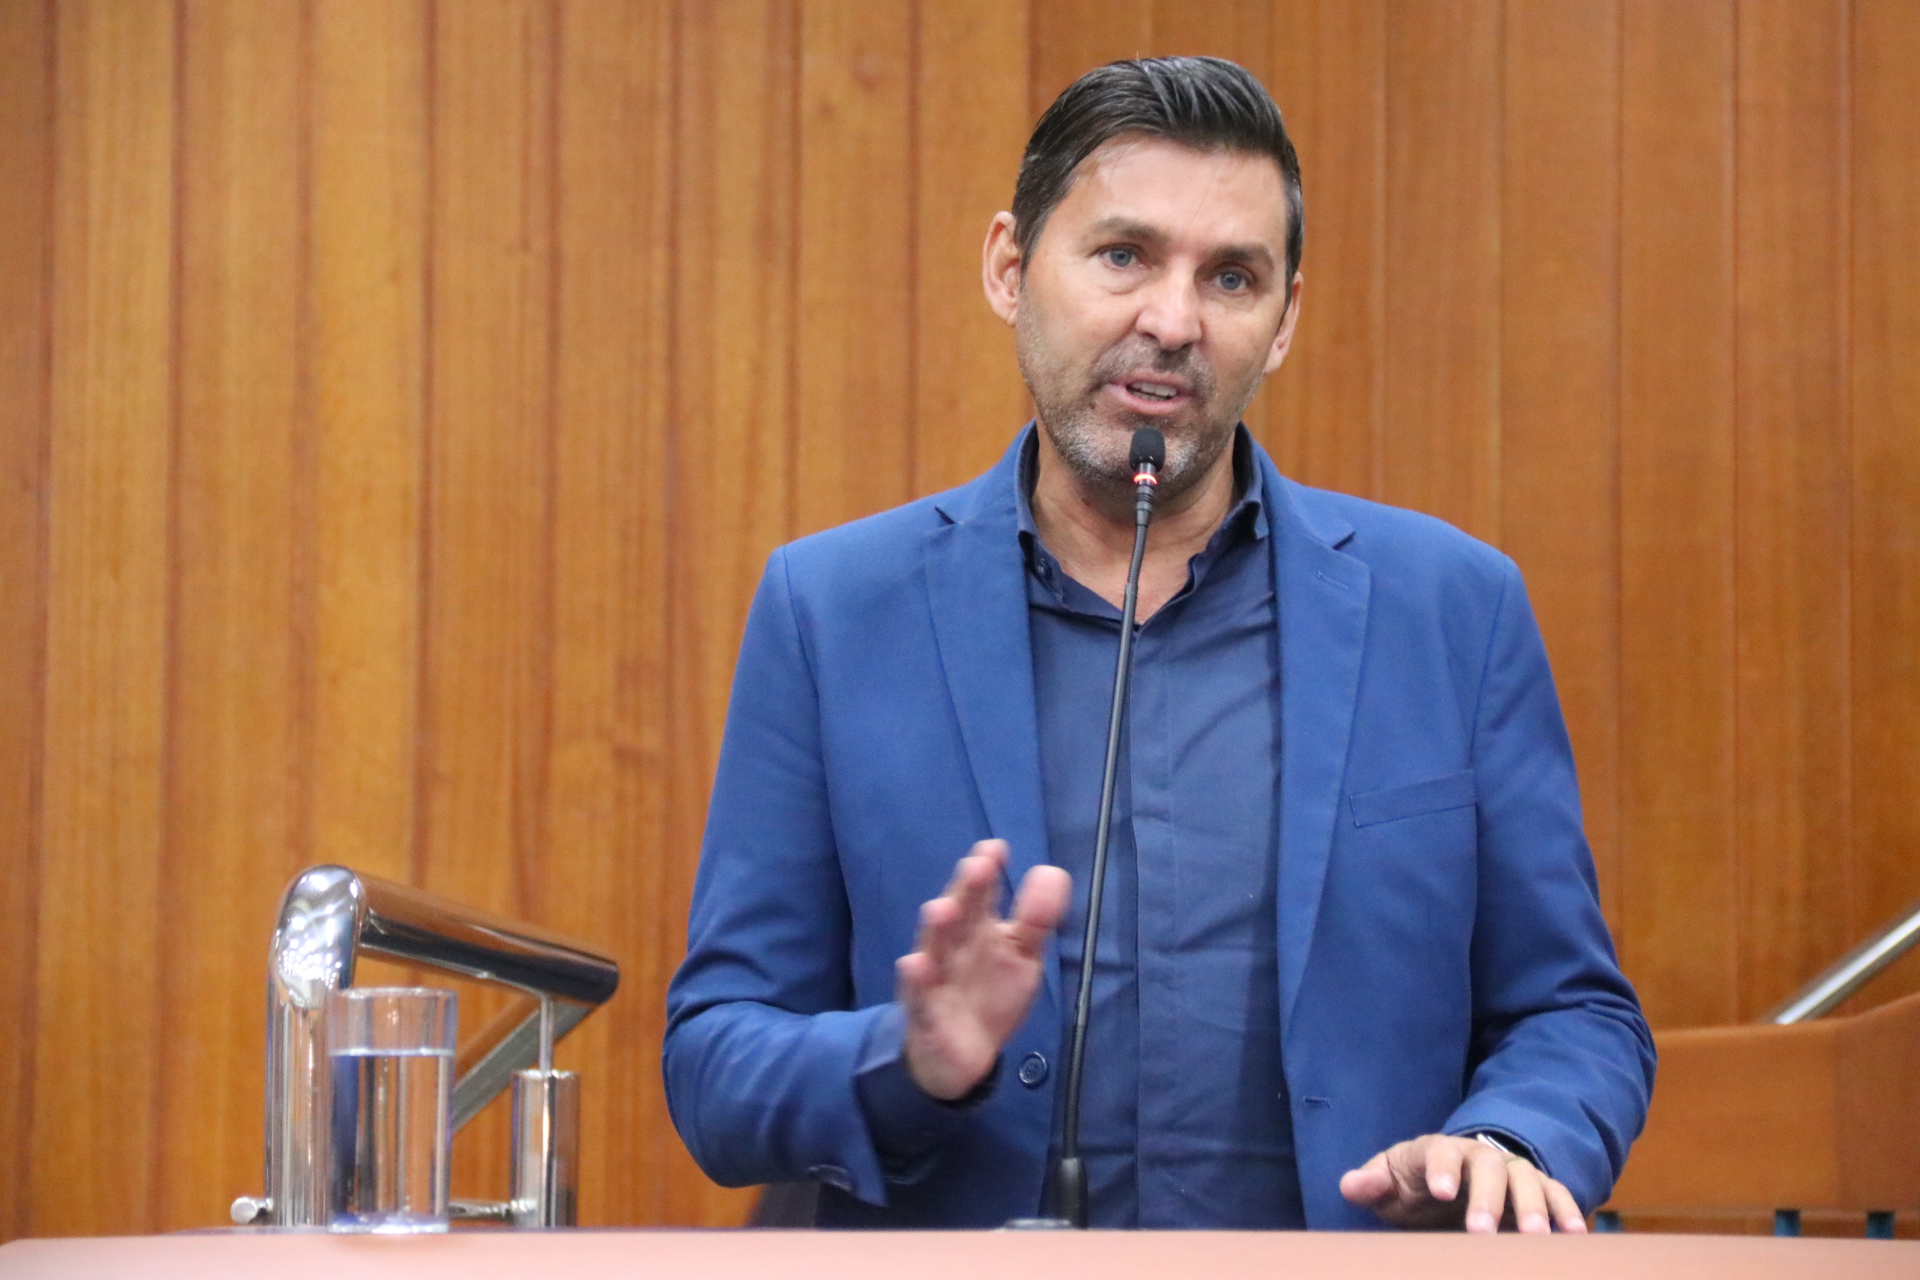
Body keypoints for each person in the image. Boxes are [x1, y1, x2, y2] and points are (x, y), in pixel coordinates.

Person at [664, 56, 1654, 1232]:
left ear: (1283, 322)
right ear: (1009, 268)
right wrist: (906, 1060)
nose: (1173, 322)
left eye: (1231, 277)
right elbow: (716, 1059)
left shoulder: (1452, 608)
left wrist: (1508, 1136)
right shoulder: (832, 609)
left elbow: (1575, 1013)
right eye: (1124, 255)